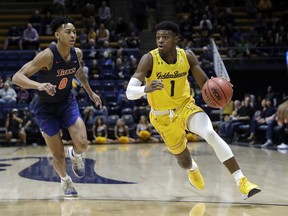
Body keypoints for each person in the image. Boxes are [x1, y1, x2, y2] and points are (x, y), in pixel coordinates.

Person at [126, 21, 261, 199]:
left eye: (165, 37)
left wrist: (220, 89)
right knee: (184, 161)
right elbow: (129, 93)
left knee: (210, 133)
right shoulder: (149, 59)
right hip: (162, 117)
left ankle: (242, 180)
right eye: (158, 37)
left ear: (176, 39)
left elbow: (206, 85)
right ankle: (193, 169)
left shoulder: (187, 57)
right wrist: (145, 89)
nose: (160, 41)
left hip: (185, 107)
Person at [12, 17, 102, 197]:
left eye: (74, 31)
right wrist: (39, 86)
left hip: (66, 102)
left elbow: (78, 72)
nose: (73, 35)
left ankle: (76, 155)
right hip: (45, 108)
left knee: (83, 144)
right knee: (58, 155)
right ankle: (65, 180)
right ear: (57, 35)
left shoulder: (77, 53)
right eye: (68, 32)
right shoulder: (47, 55)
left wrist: (90, 92)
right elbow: (17, 77)